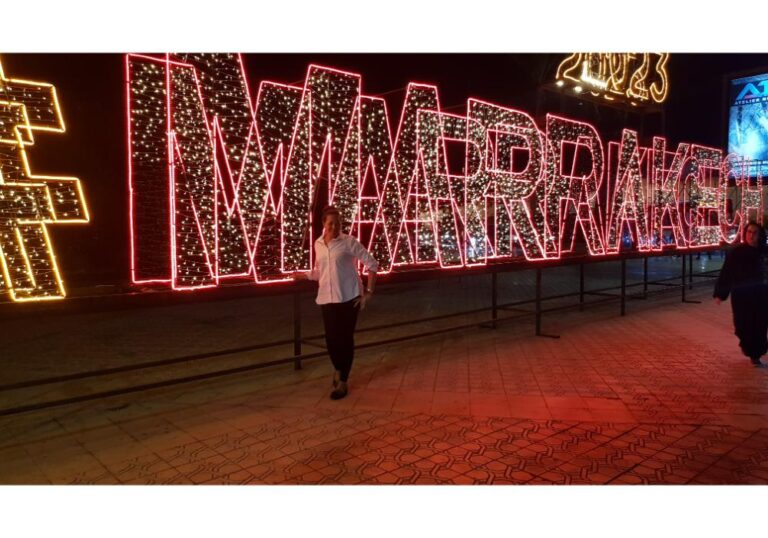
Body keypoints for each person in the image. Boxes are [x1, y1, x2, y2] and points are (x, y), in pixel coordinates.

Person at [293, 206, 379, 399]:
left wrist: (369, 292)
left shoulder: (349, 242)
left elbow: (372, 264)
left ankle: (343, 381)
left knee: (345, 340)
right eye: (331, 223)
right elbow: (319, 272)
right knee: (331, 341)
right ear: (324, 223)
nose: (335, 226)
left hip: (349, 298)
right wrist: (303, 275)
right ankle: (338, 368)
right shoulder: (318, 244)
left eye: (338, 223)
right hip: (326, 298)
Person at [713, 221, 768, 366]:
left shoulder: (764, 252)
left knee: (760, 324)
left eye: (755, 233)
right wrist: (720, 293)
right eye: (749, 232)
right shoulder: (737, 253)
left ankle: (755, 353)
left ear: (760, 235)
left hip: (761, 295)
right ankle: (747, 346)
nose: (751, 236)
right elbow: (727, 273)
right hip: (742, 297)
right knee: (742, 325)